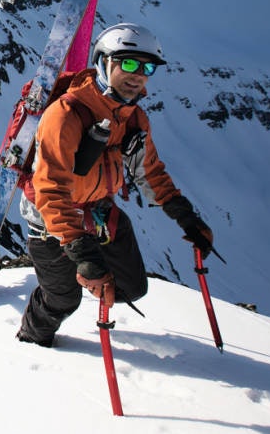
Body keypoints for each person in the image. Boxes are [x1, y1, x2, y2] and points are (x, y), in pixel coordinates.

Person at [15, 23, 214, 347]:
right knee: (63, 300)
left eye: (147, 67)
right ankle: (30, 343)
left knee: (132, 288)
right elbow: (50, 189)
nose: (138, 74)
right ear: (103, 61)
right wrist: (81, 251)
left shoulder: (134, 118)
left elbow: (149, 172)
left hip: (99, 211)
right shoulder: (66, 115)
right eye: (129, 63)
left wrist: (185, 216)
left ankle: (85, 276)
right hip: (51, 223)